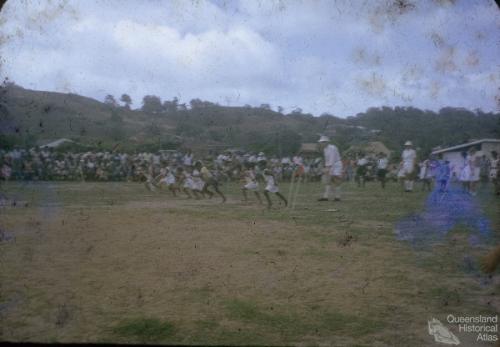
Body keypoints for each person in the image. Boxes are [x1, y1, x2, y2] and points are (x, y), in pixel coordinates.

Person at [317, 135, 343, 201]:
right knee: (328, 180)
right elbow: (327, 160)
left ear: (327, 142)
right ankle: (325, 197)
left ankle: (337, 197)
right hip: (330, 165)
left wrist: (328, 168)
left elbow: (332, 159)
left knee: (336, 180)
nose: (322, 143)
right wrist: (326, 167)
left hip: (336, 165)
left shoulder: (332, 148)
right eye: (321, 142)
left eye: (323, 142)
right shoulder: (325, 149)